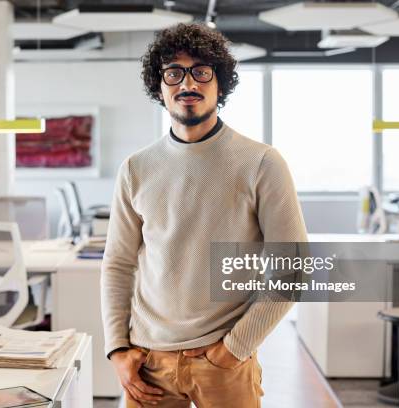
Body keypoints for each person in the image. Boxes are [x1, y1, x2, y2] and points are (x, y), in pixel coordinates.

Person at [101, 23, 307, 407]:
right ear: (159, 87)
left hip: (223, 359)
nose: (187, 84)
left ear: (220, 83)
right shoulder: (136, 168)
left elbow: (292, 269)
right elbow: (117, 263)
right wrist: (117, 348)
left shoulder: (261, 163)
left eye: (201, 71)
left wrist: (235, 348)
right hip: (148, 361)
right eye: (173, 73)